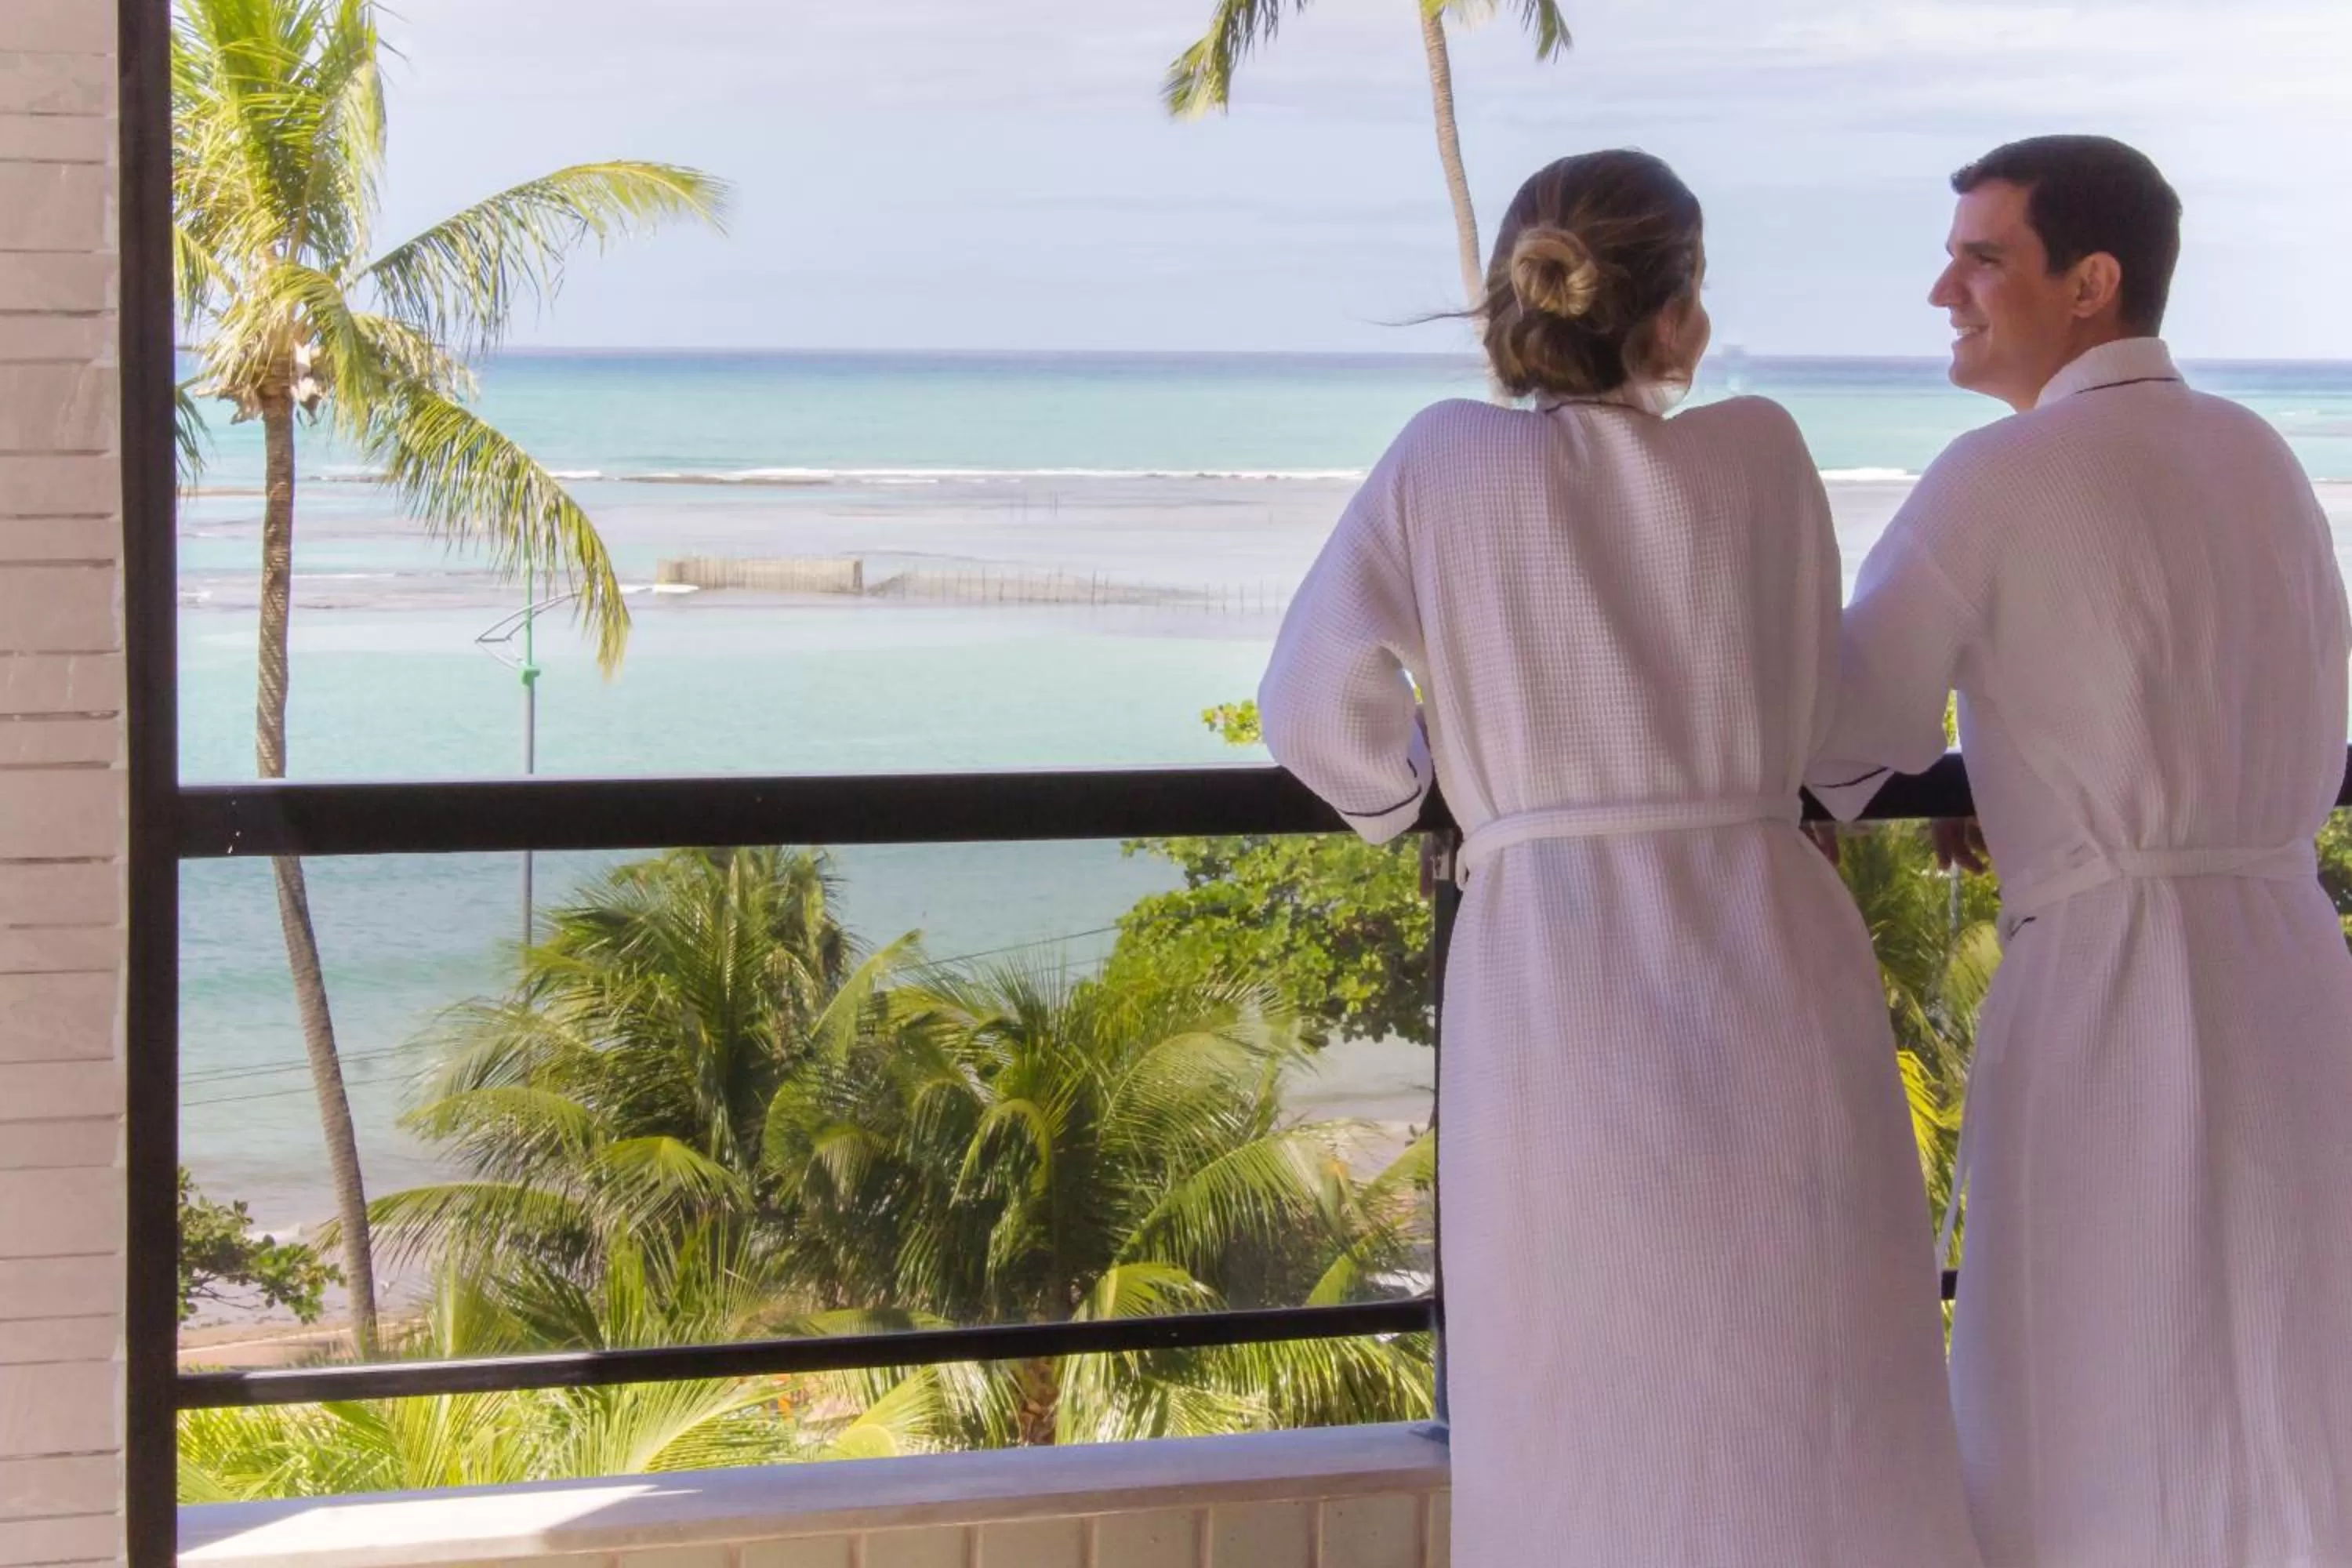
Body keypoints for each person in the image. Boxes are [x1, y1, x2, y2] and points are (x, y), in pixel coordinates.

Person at [1258, 150, 1980, 1568]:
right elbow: (1835, 730)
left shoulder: (1441, 462)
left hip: (1553, 968)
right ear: (1679, 316)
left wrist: (1425, 798)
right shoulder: (1764, 450)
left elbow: (1309, 701)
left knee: (1577, 1378)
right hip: (1771, 946)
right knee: (1811, 1359)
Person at [1811, 134, 2352, 1568]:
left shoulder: (1996, 479)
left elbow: (1837, 749)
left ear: (2090, 283)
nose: (1944, 290)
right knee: (2287, 1376)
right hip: (2297, 975)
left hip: (2114, 987)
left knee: (2090, 1378)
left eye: (1982, 258)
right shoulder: (2257, 455)